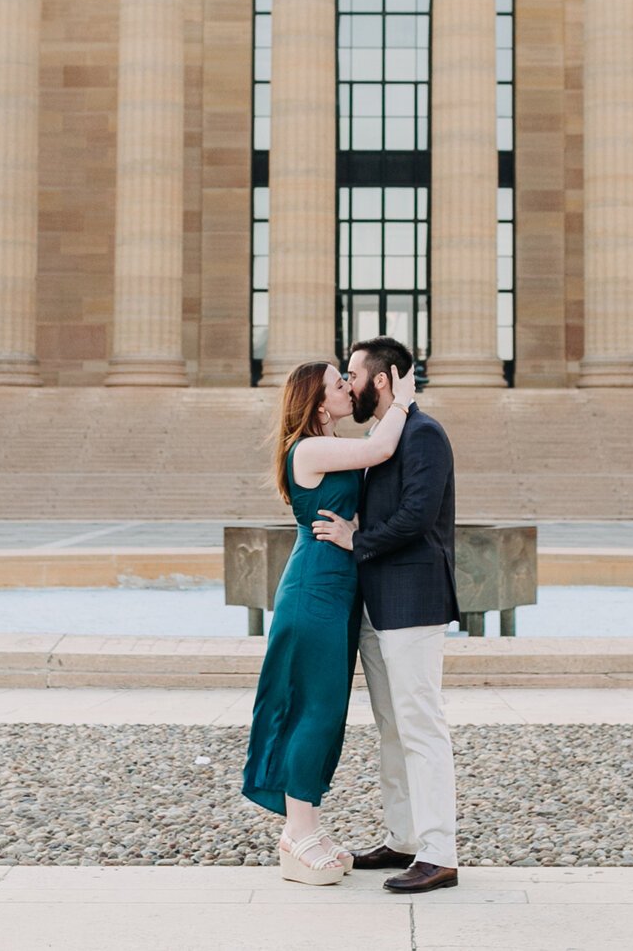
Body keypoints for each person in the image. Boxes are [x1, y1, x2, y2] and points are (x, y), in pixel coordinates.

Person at [241, 360, 412, 884]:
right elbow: (381, 448)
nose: (348, 387)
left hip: (338, 591)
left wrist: (356, 527)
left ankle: (309, 826)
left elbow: (354, 495)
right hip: (313, 589)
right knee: (310, 711)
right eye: (340, 383)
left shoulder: (329, 444)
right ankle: (297, 833)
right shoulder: (309, 448)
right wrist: (402, 398)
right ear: (317, 402)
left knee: (328, 711)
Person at [311, 335, 460, 894]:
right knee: (392, 728)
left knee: (420, 724)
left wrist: (357, 540)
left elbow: (418, 516)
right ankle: (403, 837)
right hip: (377, 606)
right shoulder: (383, 433)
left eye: (353, 373)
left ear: (383, 378)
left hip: (412, 602)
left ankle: (439, 851)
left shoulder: (424, 433)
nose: (347, 383)